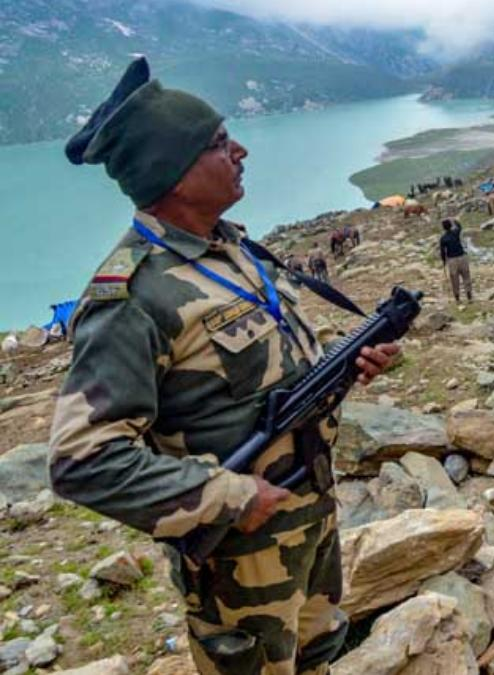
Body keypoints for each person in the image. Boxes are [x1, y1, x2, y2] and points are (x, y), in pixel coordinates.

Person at [50, 58, 399, 675]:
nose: (239, 151)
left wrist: (346, 368)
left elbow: (264, 375)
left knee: (319, 651)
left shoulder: (234, 250)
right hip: (239, 556)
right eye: (217, 142)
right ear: (173, 172)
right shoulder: (133, 298)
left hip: (310, 514)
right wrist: (227, 495)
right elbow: (82, 461)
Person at [440, 218, 472, 303]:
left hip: (452, 260)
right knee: (466, 277)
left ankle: (457, 298)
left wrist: (444, 261)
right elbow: (459, 226)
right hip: (462, 257)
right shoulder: (456, 232)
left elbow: (443, 252)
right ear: (451, 226)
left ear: (443, 228)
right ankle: (469, 297)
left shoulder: (443, 238)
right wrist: (454, 220)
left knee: (454, 280)